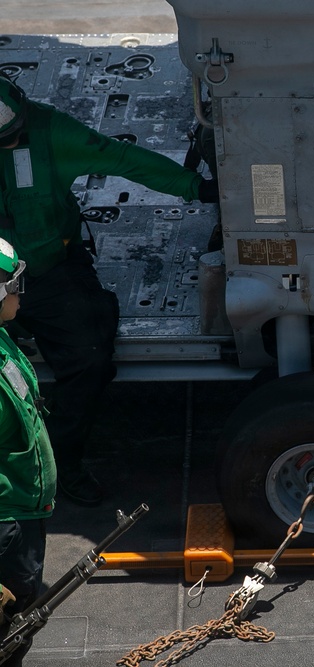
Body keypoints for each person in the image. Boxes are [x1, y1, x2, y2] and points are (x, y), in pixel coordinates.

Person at [0, 76, 218, 506]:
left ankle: (63, 464)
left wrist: (197, 188)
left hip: (47, 272)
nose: (15, 142)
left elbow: (121, 159)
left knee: (90, 358)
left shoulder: (46, 130)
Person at [0, 238, 56, 667]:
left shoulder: (2, 339)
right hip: (6, 525)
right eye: (14, 282)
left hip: (23, 515)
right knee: (10, 631)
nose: (20, 292)